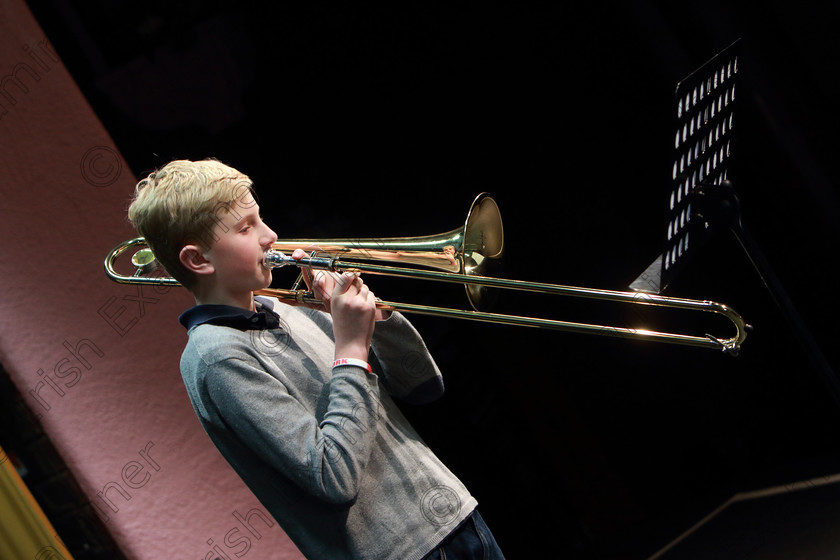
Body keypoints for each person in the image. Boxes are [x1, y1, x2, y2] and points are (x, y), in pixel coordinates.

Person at [127, 159, 505, 560]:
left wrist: (377, 319)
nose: (271, 236)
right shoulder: (216, 356)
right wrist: (351, 350)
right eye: (245, 228)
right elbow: (332, 477)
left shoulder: (287, 305)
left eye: (260, 219)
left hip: (458, 517)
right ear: (198, 260)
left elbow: (424, 387)